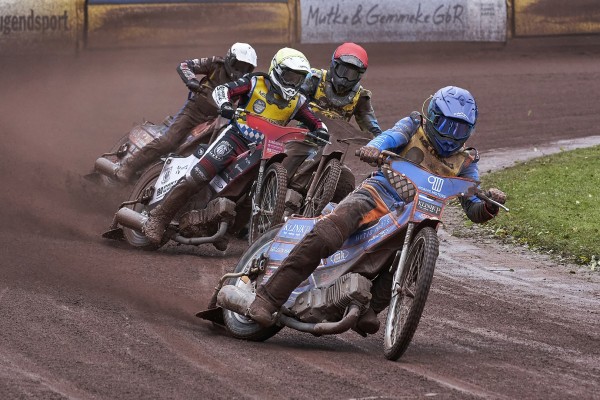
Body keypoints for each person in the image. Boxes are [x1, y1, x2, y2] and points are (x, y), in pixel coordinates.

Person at [245, 86, 507, 333]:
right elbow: (389, 136)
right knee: (330, 231)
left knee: (417, 258)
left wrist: (488, 204)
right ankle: (268, 298)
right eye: (447, 126)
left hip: (417, 218)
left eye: (460, 129)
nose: (451, 136)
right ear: (432, 117)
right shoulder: (413, 125)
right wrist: (375, 148)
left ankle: (369, 309)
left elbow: (472, 205)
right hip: (378, 194)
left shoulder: (466, 161)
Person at [141, 48, 329, 245]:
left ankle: (224, 228)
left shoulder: (298, 101)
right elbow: (223, 90)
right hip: (235, 138)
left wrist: (321, 131)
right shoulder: (255, 82)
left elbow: (316, 122)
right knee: (200, 175)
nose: (292, 83)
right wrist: (225, 104)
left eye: (298, 79)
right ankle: (159, 217)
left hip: (264, 151)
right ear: (277, 70)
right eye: (289, 76)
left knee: (250, 193)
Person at [114, 43, 258, 183]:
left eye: (246, 68)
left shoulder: (247, 83)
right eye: (239, 65)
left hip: (219, 121)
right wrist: (191, 80)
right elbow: (184, 65)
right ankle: (128, 167)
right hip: (194, 111)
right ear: (230, 59)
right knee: (169, 141)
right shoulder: (216, 64)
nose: (241, 71)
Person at [284, 42, 382, 198]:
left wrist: (381, 147)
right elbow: (291, 103)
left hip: (334, 148)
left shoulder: (361, 97)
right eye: (342, 71)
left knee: (346, 182)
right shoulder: (314, 79)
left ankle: (321, 210)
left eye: (351, 74)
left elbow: (372, 128)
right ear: (334, 65)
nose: (345, 78)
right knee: (284, 167)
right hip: (304, 138)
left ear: (360, 75)